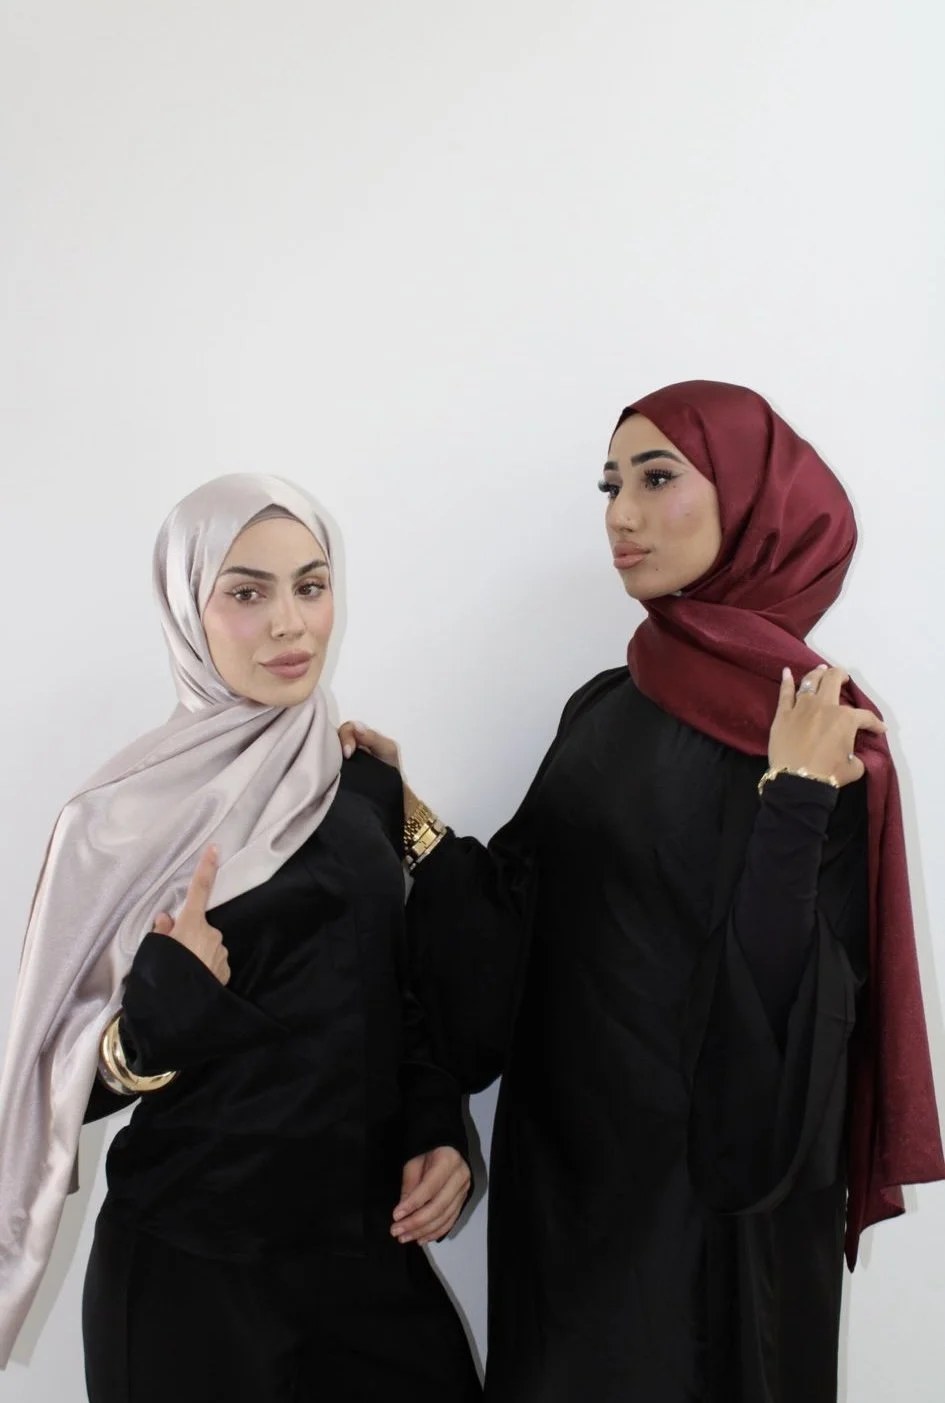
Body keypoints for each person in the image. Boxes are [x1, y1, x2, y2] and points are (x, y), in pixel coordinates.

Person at [342, 381, 945, 1403]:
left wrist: (796, 800)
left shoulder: (818, 724)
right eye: (610, 483)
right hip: (573, 1202)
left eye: (657, 477)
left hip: (719, 1217)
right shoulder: (610, 703)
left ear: (756, 500)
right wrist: (408, 815)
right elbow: (521, 923)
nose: (620, 513)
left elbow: (797, 1008)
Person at [0, 474, 482, 1402]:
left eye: (310, 584)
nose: (291, 625)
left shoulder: (356, 785)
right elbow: (46, 1079)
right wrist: (151, 1029)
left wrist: (436, 1130)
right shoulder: (117, 820)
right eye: (247, 592)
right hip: (193, 1285)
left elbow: (400, 997)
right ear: (188, 609)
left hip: (366, 1267)